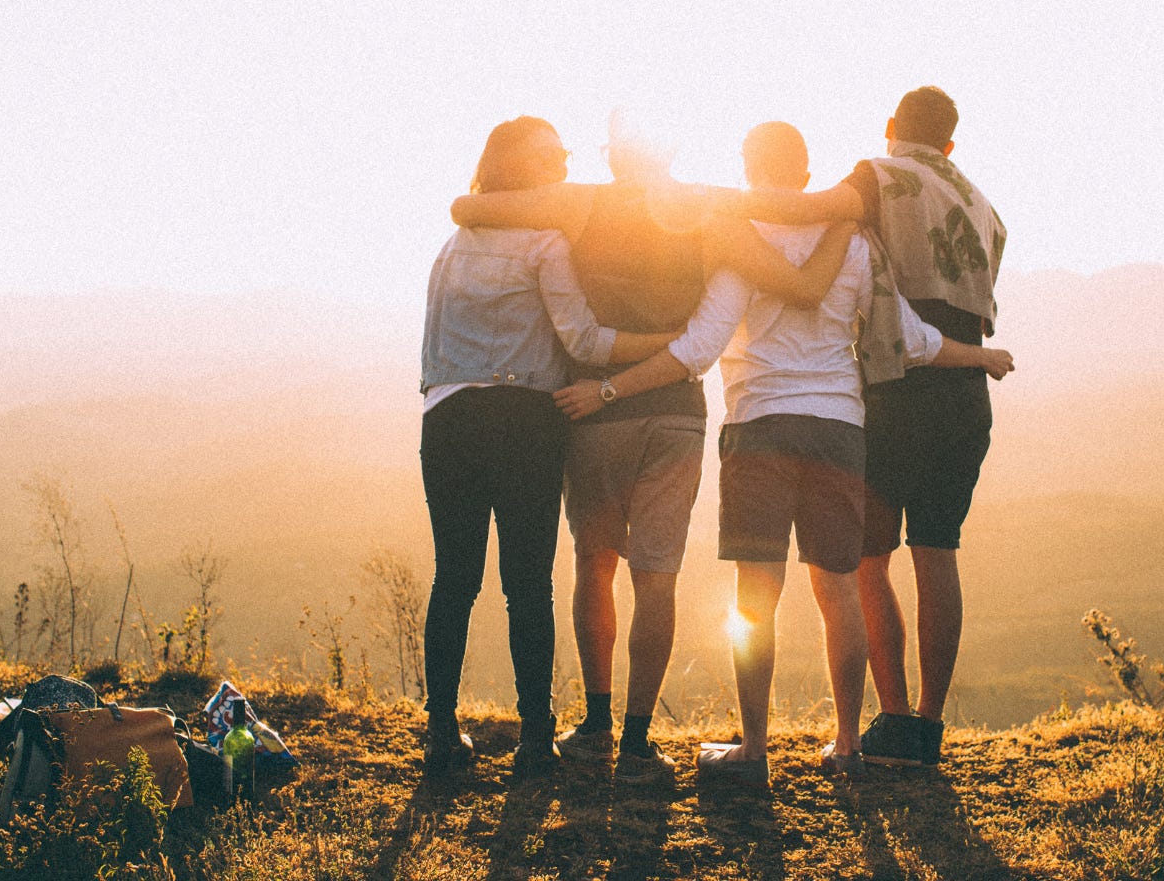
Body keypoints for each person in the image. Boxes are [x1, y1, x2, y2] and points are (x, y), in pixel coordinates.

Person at [554, 122, 1013, 785]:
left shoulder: (741, 240)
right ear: (806, 174)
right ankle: (849, 745)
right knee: (839, 591)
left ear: (748, 167)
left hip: (759, 427)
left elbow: (699, 348)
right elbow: (910, 339)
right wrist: (981, 356)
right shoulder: (855, 242)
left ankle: (754, 751)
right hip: (839, 431)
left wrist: (609, 388)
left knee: (755, 598)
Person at [450, 115, 853, 782]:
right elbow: (795, 276)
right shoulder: (709, 211)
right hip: (676, 415)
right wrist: (845, 217)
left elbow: (470, 207)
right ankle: (638, 743)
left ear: (614, 158)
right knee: (657, 576)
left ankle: (597, 723)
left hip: (592, 412)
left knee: (595, 563)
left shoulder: (582, 203)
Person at [729, 88, 1008, 768]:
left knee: (867, 562)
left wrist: (703, 205)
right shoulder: (981, 203)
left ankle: (892, 718)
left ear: (890, 130)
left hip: (896, 386)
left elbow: (802, 210)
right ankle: (930, 728)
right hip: (963, 389)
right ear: (950, 142)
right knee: (938, 553)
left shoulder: (878, 176)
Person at [419, 116, 677, 778]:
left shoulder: (452, 245)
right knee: (527, 586)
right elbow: (585, 343)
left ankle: (441, 734)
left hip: (447, 418)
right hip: (525, 421)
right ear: (522, 169)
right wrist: (669, 345)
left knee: (454, 580)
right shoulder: (546, 242)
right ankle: (536, 740)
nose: (564, 162)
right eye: (552, 155)